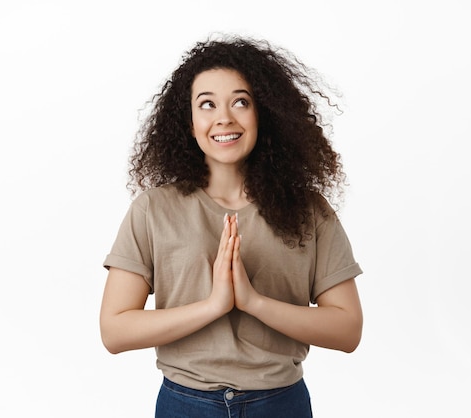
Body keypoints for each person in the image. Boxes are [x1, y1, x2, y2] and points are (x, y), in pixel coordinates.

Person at [99, 33, 363, 417]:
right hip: (185, 404)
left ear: (264, 114)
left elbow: (348, 329)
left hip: (280, 403)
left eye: (241, 101)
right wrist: (213, 306)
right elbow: (114, 331)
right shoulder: (152, 210)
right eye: (207, 104)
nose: (224, 117)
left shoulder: (309, 210)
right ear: (189, 123)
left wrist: (253, 303)